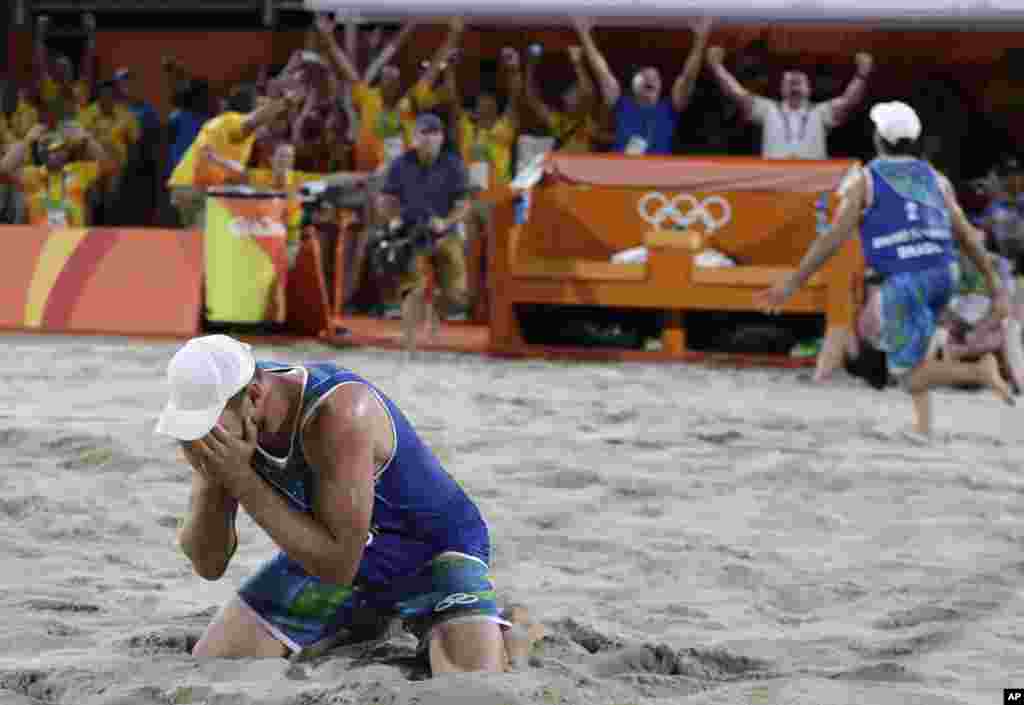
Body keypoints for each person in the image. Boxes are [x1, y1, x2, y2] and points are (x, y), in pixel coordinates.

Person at [156, 334, 536, 670]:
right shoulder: (229, 425)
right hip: (333, 544)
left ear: (255, 396)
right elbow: (209, 564)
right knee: (216, 664)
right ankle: (369, 620)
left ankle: (514, 627)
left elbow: (337, 567)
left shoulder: (338, 413)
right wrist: (214, 479)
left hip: (429, 547)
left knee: (470, 688)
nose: (202, 436)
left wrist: (241, 479)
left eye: (207, 423)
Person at [756, 101, 1014, 438]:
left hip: (907, 279)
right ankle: (923, 429)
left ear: (878, 139)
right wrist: (995, 284)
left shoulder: (866, 179)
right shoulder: (937, 180)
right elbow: (965, 233)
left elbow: (833, 237)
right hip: (944, 273)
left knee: (906, 375)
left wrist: (792, 282)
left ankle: (979, 372)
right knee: (914, 352)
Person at [379, 113, 472, 354]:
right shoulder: (400, 164)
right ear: (414, 137)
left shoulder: (453, 164)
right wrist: (394, 219)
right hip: (411, 233)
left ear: (441, 138)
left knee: (458, 297)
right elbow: (386, 198)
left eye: (434, 133)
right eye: (423, 132)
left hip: (444, 234)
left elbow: (464, 204)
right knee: (413, 288)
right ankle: (410, 348)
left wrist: (446, 222)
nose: (429, 138)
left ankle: (435, 310)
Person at [575, 15, 712, 155]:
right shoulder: (621, 103)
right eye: (644, 77)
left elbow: (688, 77)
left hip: (659, 173)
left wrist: (700, 38)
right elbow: (602, 72)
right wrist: (583, 32)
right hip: (622, 171)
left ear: (661, 86)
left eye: (655, 78)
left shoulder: (670, 108)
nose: (650, 80)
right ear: (634, 85)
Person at [706, 46, 872, 160]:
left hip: (815, 184)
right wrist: (717, 66)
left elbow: (849, 101)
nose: (794, 84)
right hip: (775, 185)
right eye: (790, 81)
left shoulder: (821, 111)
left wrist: (862, 74)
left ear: (810, 88)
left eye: (799, 81)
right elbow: (737, 94)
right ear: (781, 89)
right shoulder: (767, 109)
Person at [0, 122, 113, 228]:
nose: (52, 151)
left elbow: (108, 166)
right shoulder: (31, 174)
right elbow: (3, 170)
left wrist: (86, 138)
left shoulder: (80, 171)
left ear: (67, 151)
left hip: (73, 242)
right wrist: (27, 140)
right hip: (40, 242)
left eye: (58, 147)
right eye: (46, 146)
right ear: (40, 152)